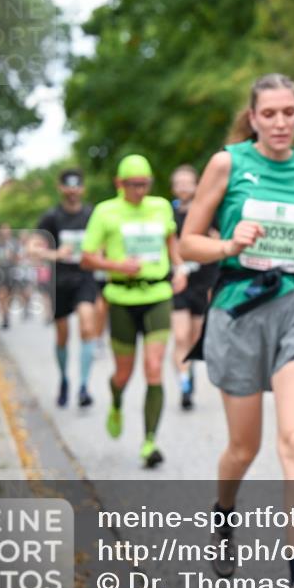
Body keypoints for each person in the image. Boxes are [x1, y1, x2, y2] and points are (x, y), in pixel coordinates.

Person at [179, 73, 294, 588]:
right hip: (237, 310)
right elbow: (188, 242)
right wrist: (229, 243)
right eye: (268, 114)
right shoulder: (227, 164)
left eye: (288, 113)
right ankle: (224, 512)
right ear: (253, 118)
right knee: (243, 448)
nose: (279, 122)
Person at [81, 155, 187, 468]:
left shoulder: (161, 207)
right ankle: (116, 401)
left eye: (145, 184)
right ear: (119, 183)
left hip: (157, 294)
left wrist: (180, 268)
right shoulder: (105, 211)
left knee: (153, 367)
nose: (140, 190)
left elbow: (171, 240)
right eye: (134, 185)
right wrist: (116, 265)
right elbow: (87, 258)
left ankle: (150, 441)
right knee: (123, 373)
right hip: (121, 298)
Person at [33, 169, 99, 408]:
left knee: (88, 326)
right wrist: (56, 254)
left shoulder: (92, 215)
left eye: (77, 186)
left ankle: (84, 386)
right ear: (60, 188)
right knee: (62, 335)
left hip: (85, 278)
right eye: (68, 186)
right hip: (60, 281)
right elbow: (33, 248)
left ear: (83, 188)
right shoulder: (51, 217)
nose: (73, 191)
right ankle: (63, 380)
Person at [169, 164, 219, 411]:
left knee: (195, 338)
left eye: (188, 182)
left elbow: (220, 243)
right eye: (179, 183)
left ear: (197, 185)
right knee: (181, 336)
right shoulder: (168, 215)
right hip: (178, 282)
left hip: (203, 282)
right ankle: (184, 384)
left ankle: (190, 375)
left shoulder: (208, 212)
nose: (184, 187)